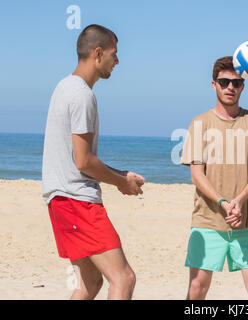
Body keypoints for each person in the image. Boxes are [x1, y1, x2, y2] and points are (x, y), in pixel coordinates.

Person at [42, 24, 145, 300]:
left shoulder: (64, 86)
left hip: (61, 200)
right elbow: (83, 161)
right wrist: (122, 181)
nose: (117, 61)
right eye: (114, 54)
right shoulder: (81, 94)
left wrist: (120, 175)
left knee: (90, 283)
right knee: (123, 279)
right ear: (98, 53)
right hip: (76, 201)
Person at [180, 56, 248, 300]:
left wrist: (240, 200)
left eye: (236, 83)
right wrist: (224, 202)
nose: (230, 88)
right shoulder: (199, 123)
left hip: (246, 220)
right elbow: (196, 174)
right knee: (196, 288)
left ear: (243, 85)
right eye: (224, 82)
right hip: (207, 220)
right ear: (214, 85)